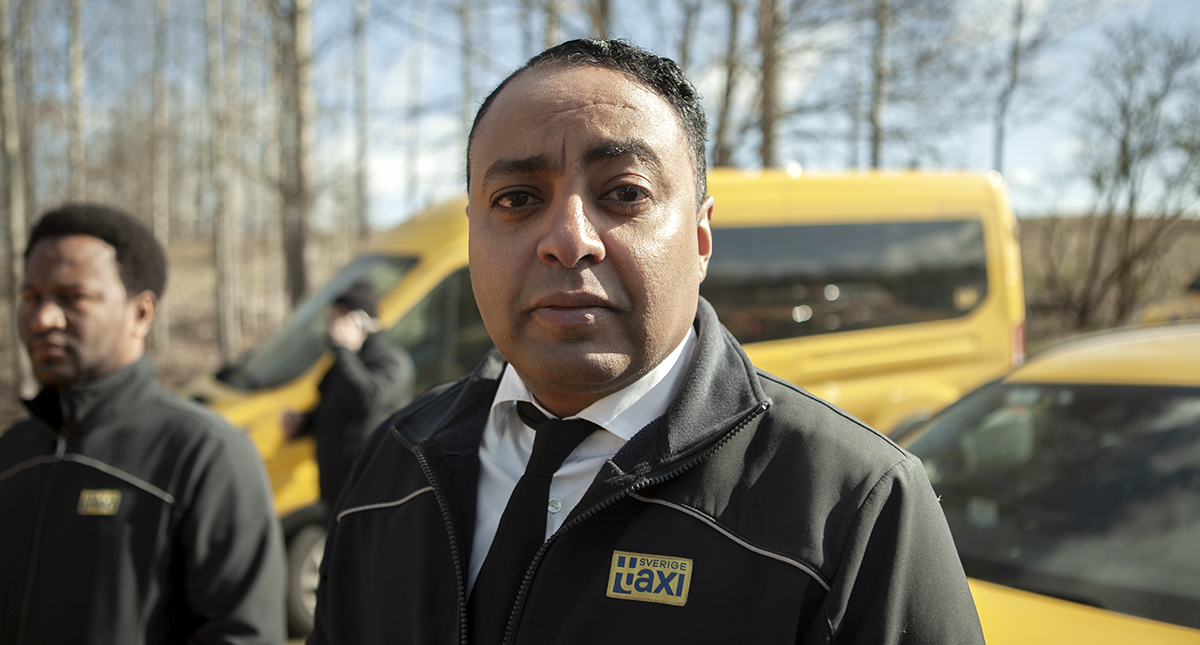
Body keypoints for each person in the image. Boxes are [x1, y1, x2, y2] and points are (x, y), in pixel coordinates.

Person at [310, 39, 986, 644]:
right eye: (517, 199)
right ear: (471, 235)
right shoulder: (393, 465)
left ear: (701, 237)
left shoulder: (855, 508)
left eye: (625, 193)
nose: (569, 239)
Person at [0, 204, 286, 644]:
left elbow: (244, 634)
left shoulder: (205, 454)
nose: (43, 319)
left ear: (141, 314)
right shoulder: (14, 452)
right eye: (32, 297)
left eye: (72, 297)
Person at [283, 279, 415, 508]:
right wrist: (305, 421)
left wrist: (344, 350)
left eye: (337, 320)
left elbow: (366, 399)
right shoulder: (348, 358)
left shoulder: (391, 361)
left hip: (368, 488)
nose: (331, 329)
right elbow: (334, 404)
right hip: (336, 487)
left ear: (359, 321)